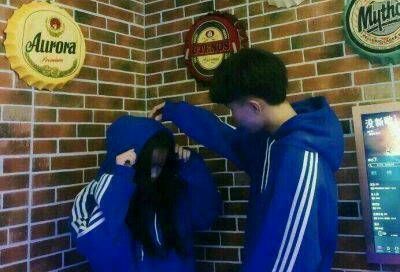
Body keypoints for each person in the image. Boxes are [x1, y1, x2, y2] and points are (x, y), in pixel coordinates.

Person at [151, 48, 344, 272]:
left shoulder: (300, 160)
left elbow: (286, 260)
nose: (234, 116)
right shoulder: (272, 140)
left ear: (254, 106)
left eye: (232, 108)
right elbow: (227, 137)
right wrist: (175, 111)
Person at [70, 115, 221, 272]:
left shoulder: (172, 189)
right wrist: (120, 180)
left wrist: (193, 169)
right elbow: (101, 253)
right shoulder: (91, 196)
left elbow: (206, 217)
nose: (158, 166)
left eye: (163, 157)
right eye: (152, 158)